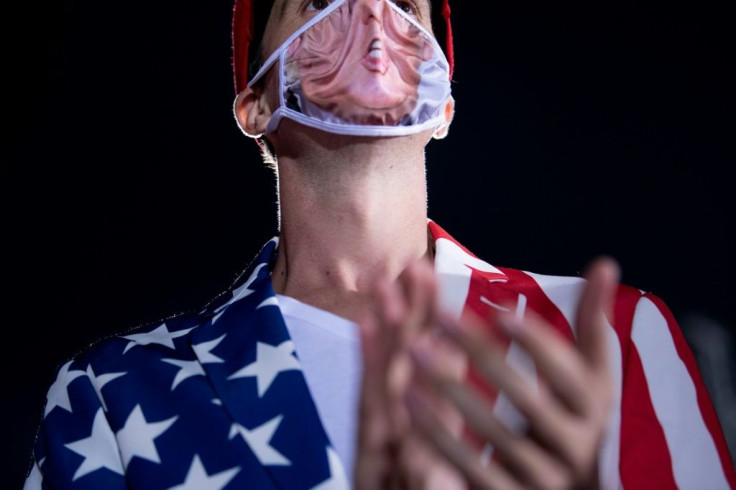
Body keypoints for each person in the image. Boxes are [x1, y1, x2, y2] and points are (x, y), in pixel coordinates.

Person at [23, 0, 735, 489]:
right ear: (255, 102)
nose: (371, 17)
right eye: (316, 1)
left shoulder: (612, 337)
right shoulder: (113, 395)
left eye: (406, 5)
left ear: (444, 101)